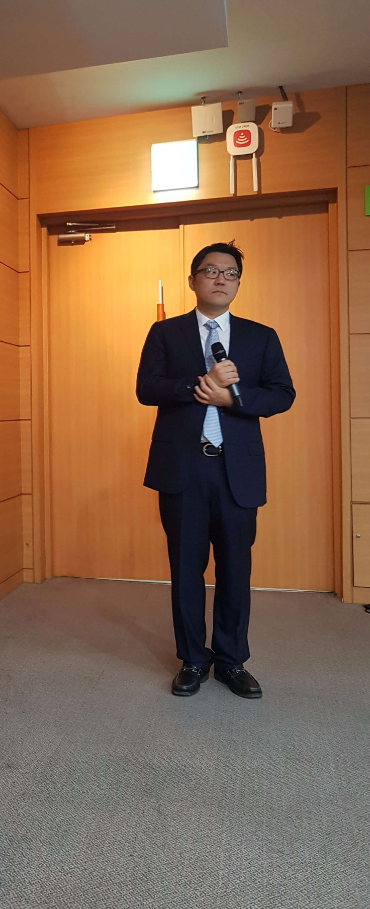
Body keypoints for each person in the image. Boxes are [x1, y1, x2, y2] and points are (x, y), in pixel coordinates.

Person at [136, 242, 295, 699]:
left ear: (238, 282)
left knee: (235, 568)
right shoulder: (165, 332)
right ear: (193, 280)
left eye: (230, 272)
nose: (220, 278)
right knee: (186, 567)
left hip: (236, 471)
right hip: (182, 469)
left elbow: (282, 394)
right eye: (210, 270)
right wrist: (200, 385)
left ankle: (230, 661)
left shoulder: (261, 336)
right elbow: (147, 388)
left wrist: (233, 398)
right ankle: (192, 659)